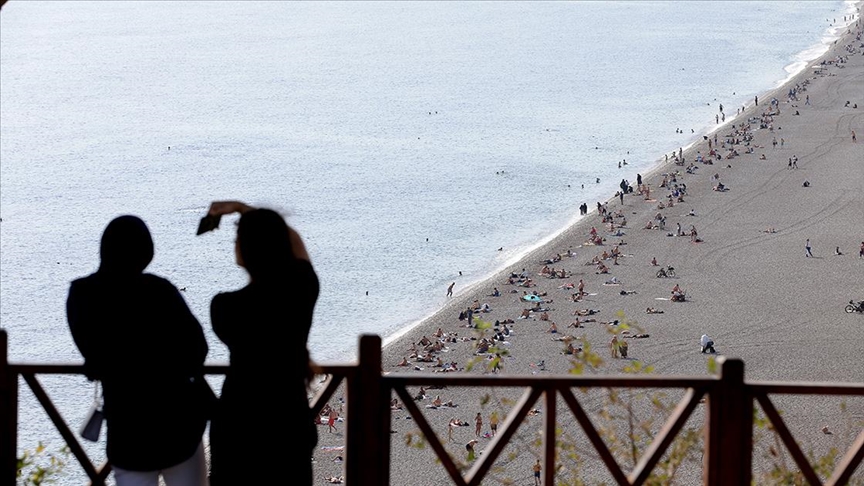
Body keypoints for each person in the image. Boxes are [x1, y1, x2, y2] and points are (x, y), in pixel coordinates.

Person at [66, 216, 211, 486]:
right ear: (146, 251)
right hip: (177, 423)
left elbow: (93, 356)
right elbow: (198, 348)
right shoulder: (159, 290)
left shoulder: (82, 294)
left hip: (127, 428)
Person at [206, 201, 319, 486]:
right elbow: (295, 242)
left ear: (245, 250)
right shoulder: (301, 291)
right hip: (289, 422)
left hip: (238, 426)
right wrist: (243, 209)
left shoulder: (225, 308)